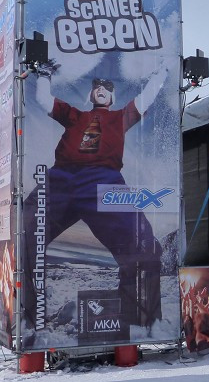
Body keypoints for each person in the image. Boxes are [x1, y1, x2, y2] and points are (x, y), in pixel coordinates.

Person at [22, 62, 167, 334]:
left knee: (144, 245)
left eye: (107, 88)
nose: (101, 89)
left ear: (112, 98)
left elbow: (145, 98)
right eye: (97, 87)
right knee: (23, 232)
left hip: (103, 180)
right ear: (91, 96)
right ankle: (27, 319)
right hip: (61, 177)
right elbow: (44, 100)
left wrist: (161, 73)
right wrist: (43, 76)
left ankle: (140, 322)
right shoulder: (74, 115)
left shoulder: (121, 117)